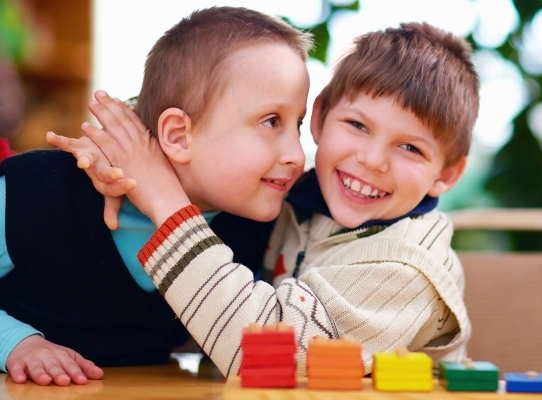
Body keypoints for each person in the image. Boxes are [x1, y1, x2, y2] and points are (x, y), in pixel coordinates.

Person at [55, 22, 479, 377]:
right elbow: (208, 138)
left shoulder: (405, 271)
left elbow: (265, 353)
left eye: (410, 149)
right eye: (357, 125)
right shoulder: (299, 195)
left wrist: (160, 193)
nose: (371, 161)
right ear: (319, 118)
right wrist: (125, 151)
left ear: (446, 174)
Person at [1, 7, 311, 386]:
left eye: (297, 124)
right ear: (178, 135)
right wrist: (16, 344)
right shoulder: (36, 193)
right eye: (271, 121)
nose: (296, 154)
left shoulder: (257, 225)